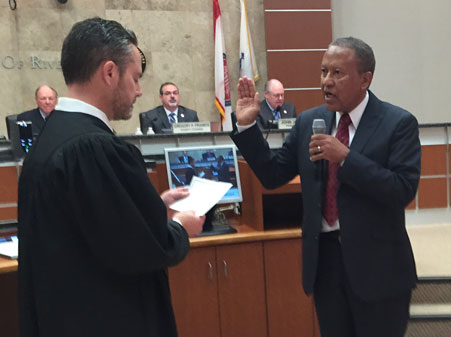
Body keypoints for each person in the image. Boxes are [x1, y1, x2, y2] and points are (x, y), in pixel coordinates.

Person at [17, 17, 205, 337]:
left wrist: (151, 208)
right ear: (109, 73)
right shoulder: (94, 148)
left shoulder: (50, 139)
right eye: (135, 77)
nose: (139, 90)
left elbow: (100, 224)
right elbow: (139, 249)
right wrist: (179, 228)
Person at [232, 37, 420, 337]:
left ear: (365, 79)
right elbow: (273, 174)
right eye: (323, 72)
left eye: (337, 73)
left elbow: (402, 190)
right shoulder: (309, 121)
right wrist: (246, 127)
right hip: (326, 265)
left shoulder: (397, 123)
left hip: (379, 269)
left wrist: (346, 158)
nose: (326, 82)